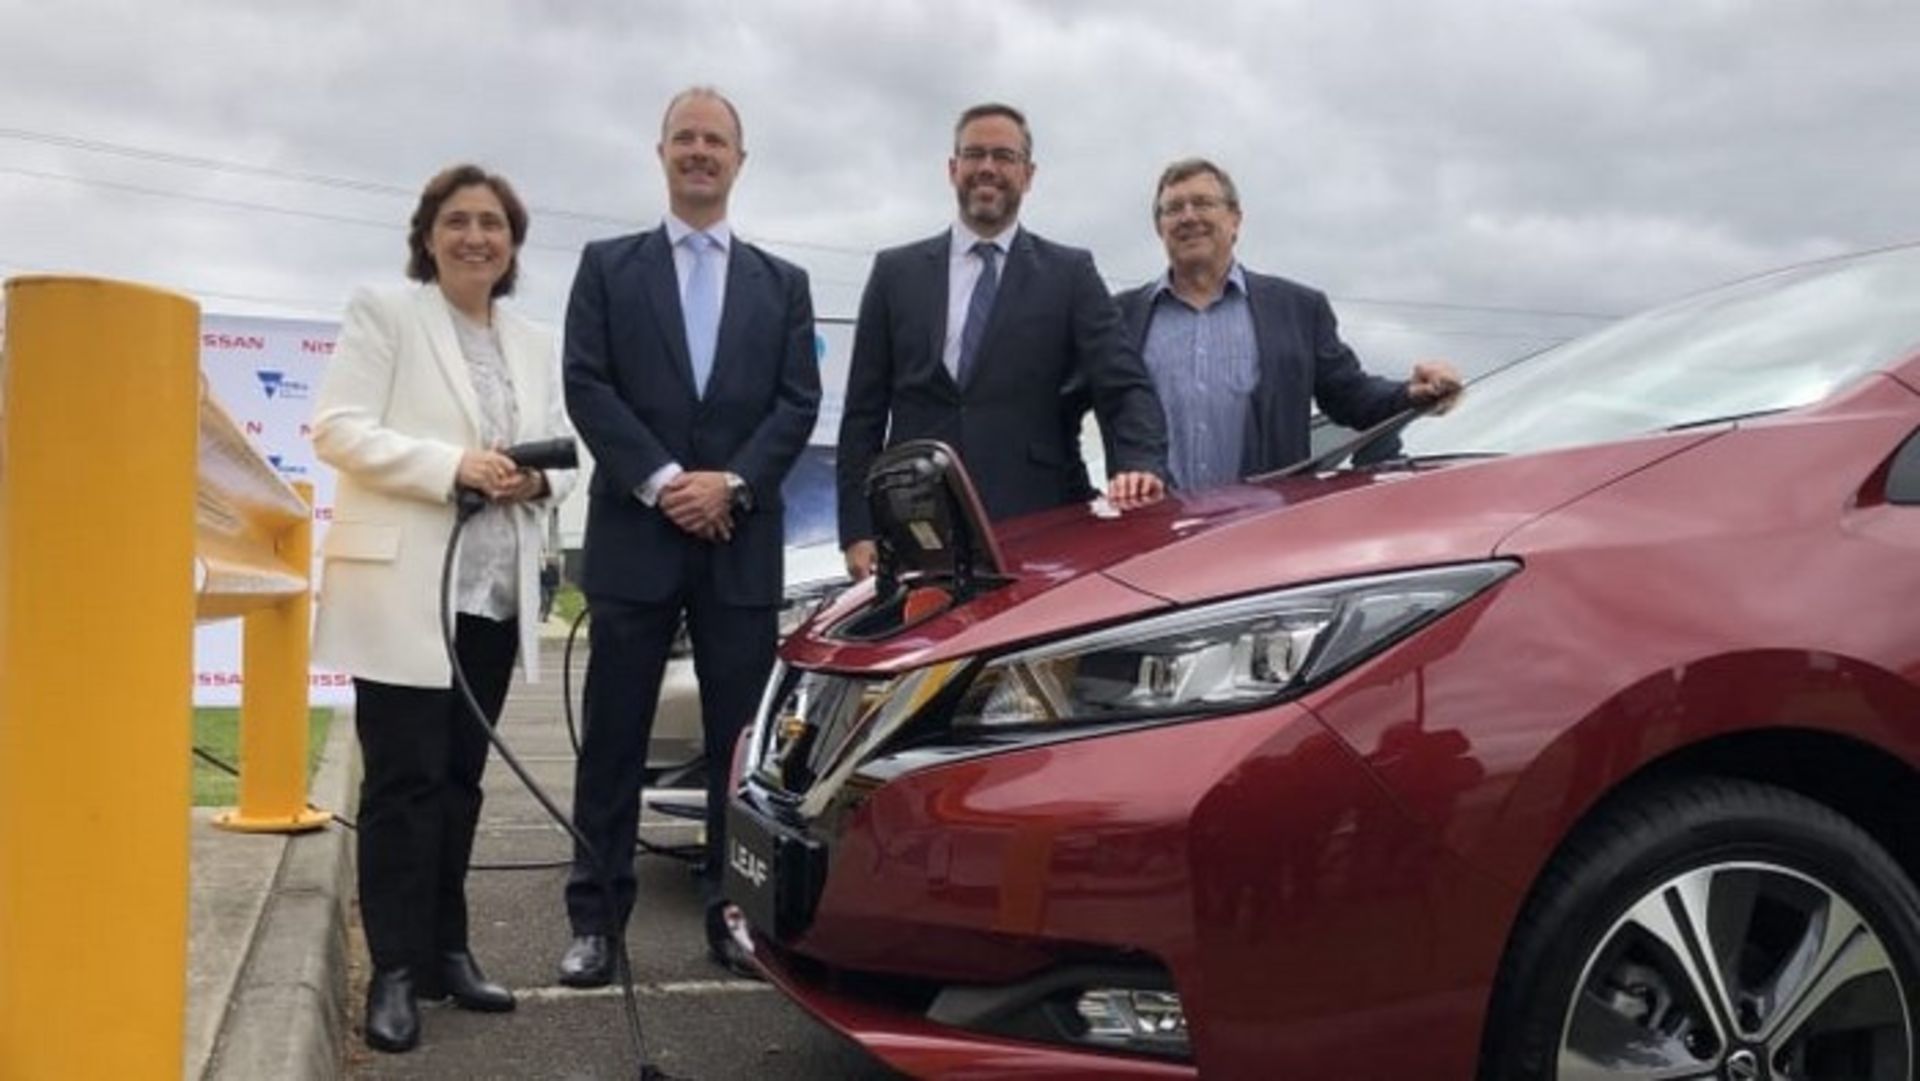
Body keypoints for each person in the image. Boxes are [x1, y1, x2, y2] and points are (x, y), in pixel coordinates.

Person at [559, 86, 820, 984]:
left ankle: (731, 912)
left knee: (738, 745)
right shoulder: (606, 267)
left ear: (739, 161)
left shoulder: (783, 286)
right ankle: (596, 916)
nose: (700, 151)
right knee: (615, 735)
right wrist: (670, 483)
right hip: (638, 537)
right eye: (685, 138)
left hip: (739, 544)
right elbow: (587, 385)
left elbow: (797, 402)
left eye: (716, 140)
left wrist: (732, 485)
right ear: (661, 153)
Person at [311, 164, 573, 1053]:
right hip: (406, 589)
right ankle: (391, 968)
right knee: (404, 781)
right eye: (457, 221)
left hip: (494, 592)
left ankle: (443, 953)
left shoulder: (534, 339)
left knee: (461, 778)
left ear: (513, 242)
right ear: (428, 236)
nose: (475, 237)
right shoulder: (386, 313)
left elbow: (561, 456)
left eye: (492, 223)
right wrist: (450, 465)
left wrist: (532, 477)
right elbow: (338, 429)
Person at [835, 102, 1169, 580]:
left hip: (1042, 523)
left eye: (1003, 156)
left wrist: (1139, 462)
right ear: (953, 169)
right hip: (920, 528)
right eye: (974, 155)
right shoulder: (895, 273)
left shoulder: (1070, 274)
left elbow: (1123, 384)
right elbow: (863, 414)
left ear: (1028, 175)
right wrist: (856, 528)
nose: (987, 168)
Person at [1114, 158, 1461, 490]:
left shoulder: (1298, 310)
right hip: (1154, 536)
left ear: (1235, 219)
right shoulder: (1119, 318)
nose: (1188, 217)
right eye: (1173, 208)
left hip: (1266, 528)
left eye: (1203, 203)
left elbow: (1350, 396)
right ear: (1160, 227)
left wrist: (1409, 394)